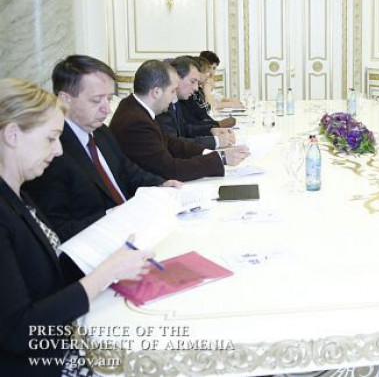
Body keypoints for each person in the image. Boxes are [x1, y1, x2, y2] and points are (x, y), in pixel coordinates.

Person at [0, 78, 152, 376]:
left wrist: (111, 262)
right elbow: (19, 330)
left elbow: (46, 272)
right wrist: (105, 273)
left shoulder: (18, 193)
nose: (59, 150)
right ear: (12, 134)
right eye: (50, 138)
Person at [23, 55, 181, 242]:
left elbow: (127, 170)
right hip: (101, 244)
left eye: (109, 99)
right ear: (65, 99)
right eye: (97, 100)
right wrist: (114, 215)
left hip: (135, 228)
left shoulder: (100, 131)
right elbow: (59, 230)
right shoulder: (50, 152)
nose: (107, 109)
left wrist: (160, 184)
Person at [110, 60, 250, 182]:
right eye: (172, 91)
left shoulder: (135, 107)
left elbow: (170, 143)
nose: (173, 98)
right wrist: (221, 158)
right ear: (156, 92)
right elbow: (170, 169)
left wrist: (209, 152)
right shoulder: (136, 122)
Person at [156, 56, 236, 150]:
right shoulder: (163, 104)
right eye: (192, 81)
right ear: (176, 77)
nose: (196, 88)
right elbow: (173, 144)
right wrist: (216, 141)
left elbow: (184, 129)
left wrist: (211, 130)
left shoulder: (175, 100)